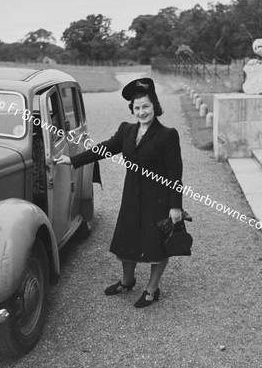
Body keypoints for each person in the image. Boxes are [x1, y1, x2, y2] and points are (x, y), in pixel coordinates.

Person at [56, 78, 183, 308]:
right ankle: (127, 280)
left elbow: (175, 174)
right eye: (137, 107)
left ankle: (152, 289)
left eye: (146, 106)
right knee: (127, 239)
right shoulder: (127, 130)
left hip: (158, 200)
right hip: (131, 198)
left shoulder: (168, 135)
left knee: (157, 244)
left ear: (154, 105)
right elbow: (104, 148)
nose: (141, 111)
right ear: (132, 109)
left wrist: (175, 206)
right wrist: (73, 159)